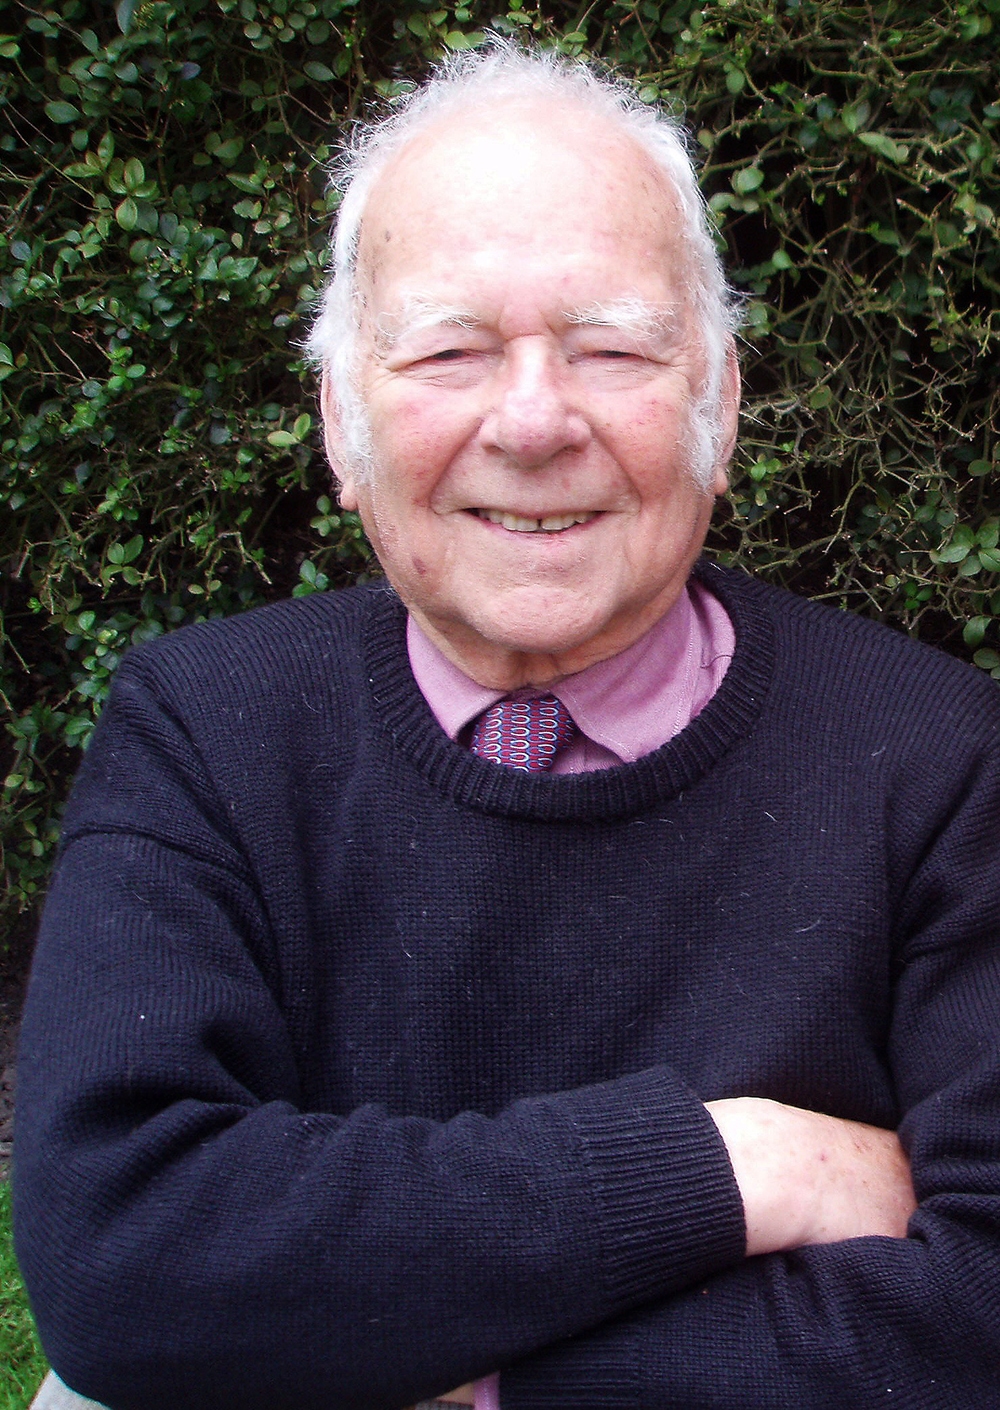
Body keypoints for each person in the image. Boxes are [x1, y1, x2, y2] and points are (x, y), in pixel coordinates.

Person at [14, 41, 1000, 1410]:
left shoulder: (937, 755)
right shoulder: (206, 727)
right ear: (343, 428)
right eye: (449, 349)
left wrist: (479, 1379)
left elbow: (979, 1306)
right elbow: (126, 1252)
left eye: (611, 347)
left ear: (717, 400)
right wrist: (728, 1165)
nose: (533, 420)